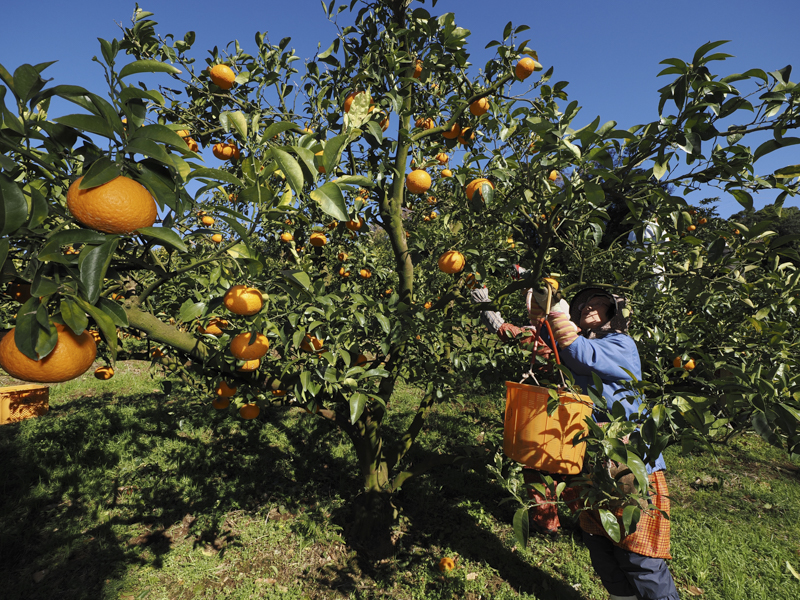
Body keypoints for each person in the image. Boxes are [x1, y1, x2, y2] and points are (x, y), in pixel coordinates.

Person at [546, 287, 679, 600]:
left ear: (614, 314)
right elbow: (552, 345)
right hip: (590, 458)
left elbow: (581, 354)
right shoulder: (579, 347)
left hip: (627, 459)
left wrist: (556, 313)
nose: (589, 307)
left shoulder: (619, 344)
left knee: (638, 554)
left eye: (598, 304)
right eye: (583, 306)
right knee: (601, 546)